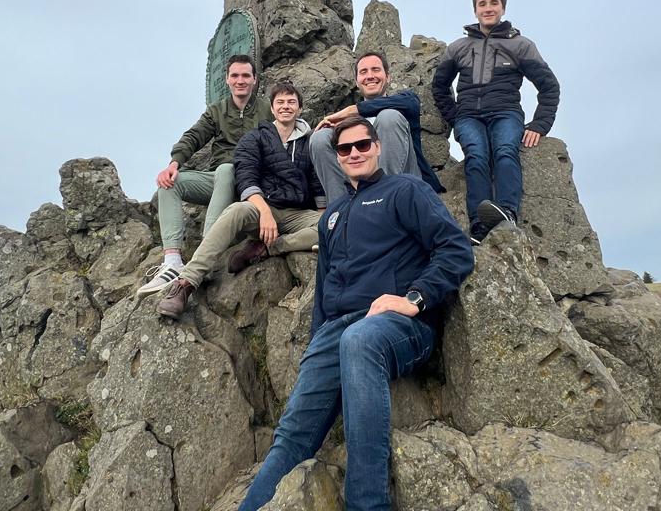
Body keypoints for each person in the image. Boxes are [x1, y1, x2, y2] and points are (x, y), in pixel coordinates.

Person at [239, 116, 473, 511]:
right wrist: (317, 342)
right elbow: (324, 287)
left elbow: (455, 249)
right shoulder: (333, 214)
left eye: (362, 145)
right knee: (293, 432)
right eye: (345, 149)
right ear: (337, 157)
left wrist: (414, 298)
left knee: (359, 339)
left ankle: (368, 505)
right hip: (337, 331)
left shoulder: (407, 190)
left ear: (377, 146)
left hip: (398, 326)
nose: (354, 154)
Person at [156, 82, 325, 318]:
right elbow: (246, 177)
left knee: (330, 225)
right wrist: (265, 213)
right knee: (235, 211)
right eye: (280, 102)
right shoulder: (255, 137)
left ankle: (271, 248)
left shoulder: (310, 142)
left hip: (297, 212)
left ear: (299, 108)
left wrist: (323, 215)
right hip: (261, 207)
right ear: (273, 109)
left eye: (291, 102)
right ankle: (186, 283)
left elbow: (317, 181)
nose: (286, 107)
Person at [432, 0, 560, 243]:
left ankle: (508, 213)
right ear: (475, 10)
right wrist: (454, 117)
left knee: (504, 152)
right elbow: (439, 86)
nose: (488, 7)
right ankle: (478, 226)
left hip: (506, 113)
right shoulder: (458, 47)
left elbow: (549, 87)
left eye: (494, 2)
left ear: (502, 7)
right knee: (476, 156)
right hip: (468, 116)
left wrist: (539, 125)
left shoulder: (520, 45)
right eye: (482, 4)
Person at [137, 54, 271, 296]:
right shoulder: (216, 111)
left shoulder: (267, 110)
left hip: (251, 186)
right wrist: (174, 163)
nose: (240, 80)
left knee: (228, 168)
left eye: (245, 76)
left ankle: (203, 257)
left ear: (254, 80)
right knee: (170, 183)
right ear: (227, 80)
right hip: (220, 181)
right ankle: (172, 261)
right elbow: (194, 136)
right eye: (235, 76)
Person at [310, 50, 444, 205]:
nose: (370, 76)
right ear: (357, 81)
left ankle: (385, 201)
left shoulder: (405, 102)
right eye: (363, 72)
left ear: (388, 77)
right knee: (320, 137)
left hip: (404, 184)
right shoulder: (349, 121)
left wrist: (353, 110)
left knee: (388, 117)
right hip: (358, 184)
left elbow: (412, 102)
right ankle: (341, 209)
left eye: (376, 70)